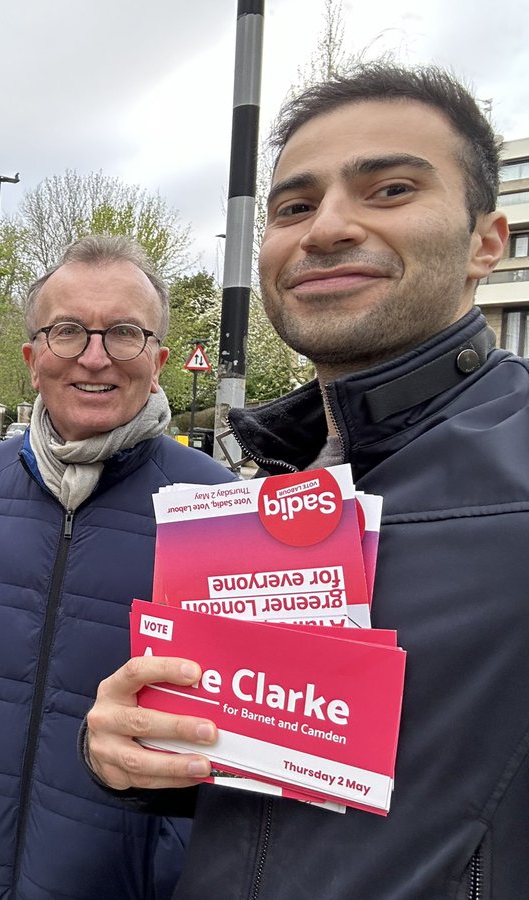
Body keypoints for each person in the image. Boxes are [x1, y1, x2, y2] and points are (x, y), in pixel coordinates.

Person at [84, 64, 526, 899]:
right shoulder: (273, 479)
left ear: (486, 241)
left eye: (389, 189)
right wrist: (128, 756)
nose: (325, 229)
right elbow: (280, 789)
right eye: (293, 206)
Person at [0, 235, 237, 899]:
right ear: (34, 356)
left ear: (158, 358)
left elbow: (242, 718)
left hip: (125, 883)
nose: (95, 356)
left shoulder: (217, 506)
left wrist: (172, 853)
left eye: (124, 333)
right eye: (68, 331)